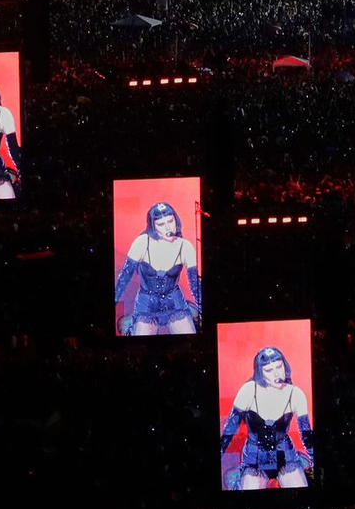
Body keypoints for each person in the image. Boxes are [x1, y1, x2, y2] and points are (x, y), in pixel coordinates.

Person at [220, 346, 313, 489]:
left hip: (286, 456)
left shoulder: (295, 394)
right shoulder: (249, 390)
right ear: (260, 373)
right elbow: (230, 429)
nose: (277, 373)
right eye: (269, 370)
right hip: (254, 458)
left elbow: (306, 434)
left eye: (279, 366)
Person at [114, 202, 201, 335]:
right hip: (146, 305)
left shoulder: (185, 247)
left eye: (170, 221)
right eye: (161, 224)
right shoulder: (142, 243)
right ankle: (131, 329)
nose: (168, 227)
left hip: (175, 303)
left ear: (175, 220)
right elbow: (124, 278)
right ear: (153, 226)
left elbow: (195, 285)